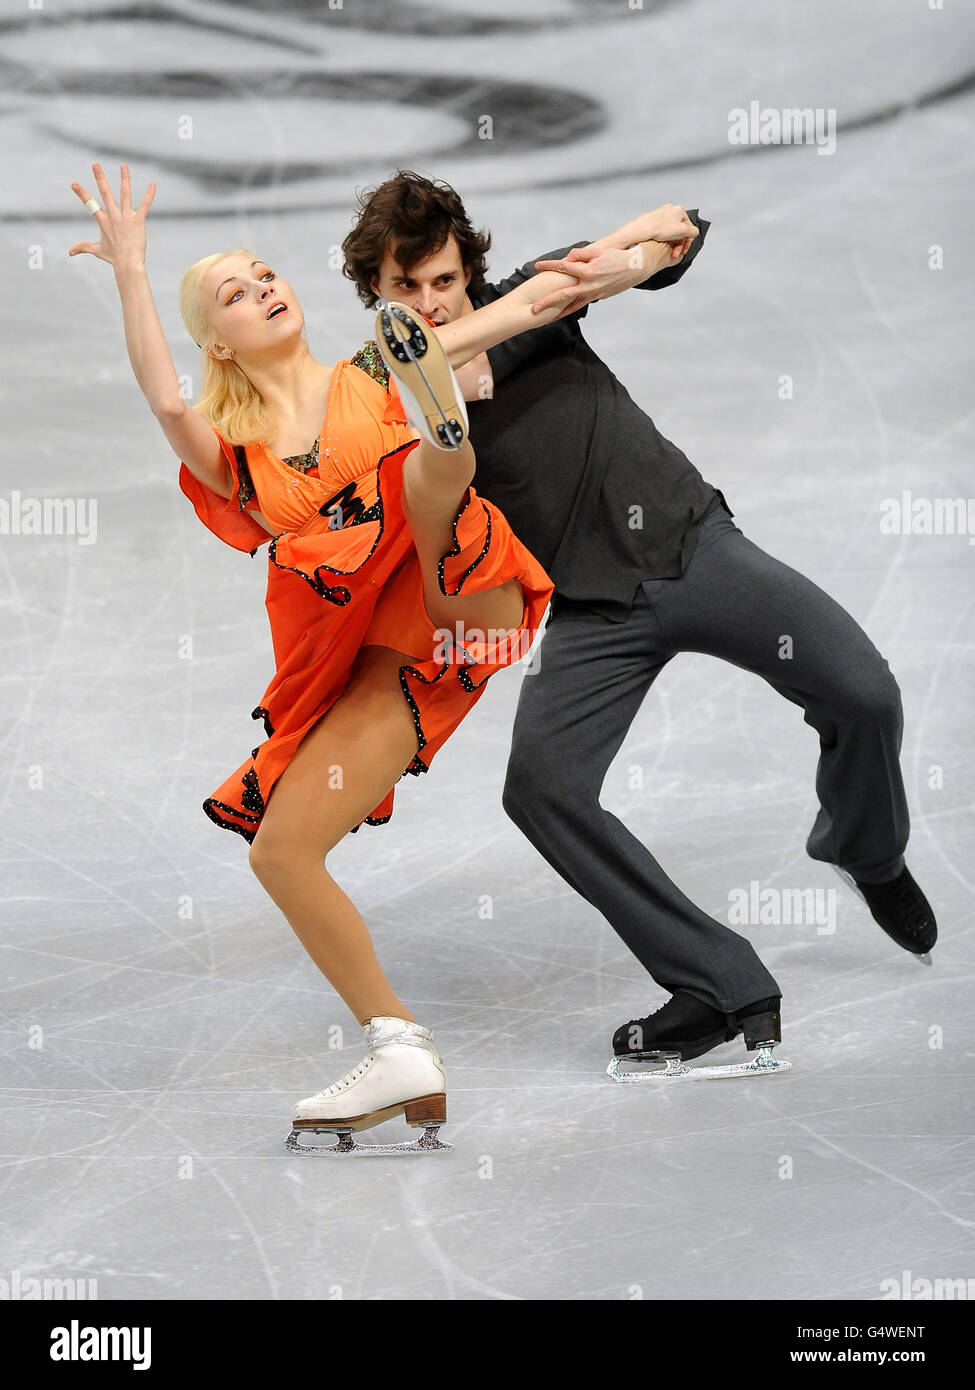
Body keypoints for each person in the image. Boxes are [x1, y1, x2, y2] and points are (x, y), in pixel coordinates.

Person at [66, 163, 694, 1149]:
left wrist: (642, 238)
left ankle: (444, 439)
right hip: (388, 662)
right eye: (236, 291)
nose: (264, 287)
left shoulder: (372, 368)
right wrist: (131, 270)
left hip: (468, 586)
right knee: (282, 848)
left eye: (267, 272)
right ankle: (398, 1043)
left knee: (426, 472)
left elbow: (535, 297)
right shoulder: (236, 456)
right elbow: (160, 396)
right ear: (217, 342)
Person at [341, 169, 938, 1080]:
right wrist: (530, 305)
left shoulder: (530, 301)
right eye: (403, 289)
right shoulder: (382, 393)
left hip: (694, 549)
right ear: (373, 295)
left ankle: (864, 848)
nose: (427, 302)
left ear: (469, 274)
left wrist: (654, 243)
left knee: (864, 694)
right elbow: (404, 377)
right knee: (542, 791)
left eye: (444, 282)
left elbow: (669, 233)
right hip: (591, 612)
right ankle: (714, 982)